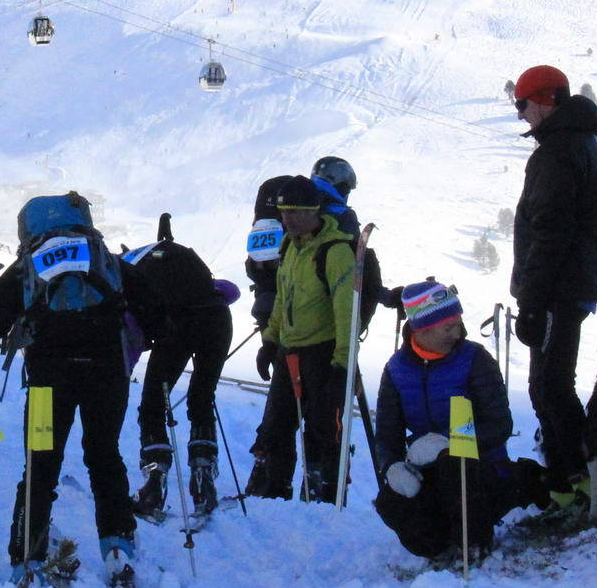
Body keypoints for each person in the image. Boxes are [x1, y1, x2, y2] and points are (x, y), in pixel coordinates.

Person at [0, 192, 166, 588]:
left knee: (41, 463)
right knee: (104, 455)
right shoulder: (105, 258)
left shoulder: (28, 264)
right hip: (107, 374)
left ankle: (26, 558)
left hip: (46, 381)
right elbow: (158, 315)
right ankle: (117, 545)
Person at [509, 65, 597, 506]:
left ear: (546, 99)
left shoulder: (558, 152)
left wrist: (532, 302)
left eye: (523, 104)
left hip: (556, 287)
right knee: (550, 385)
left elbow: (549, 231)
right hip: (572, 284)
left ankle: (578, 484)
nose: (521, 116)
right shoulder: (583, 143)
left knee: (550, 387)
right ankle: (569, 483)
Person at [253, 176, 381, 503]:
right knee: (278, 426)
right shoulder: (289, 246)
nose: (288, 218)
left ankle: (326, 494)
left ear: (314, 210)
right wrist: (270, 341)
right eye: (283, 212)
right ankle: (275, 493)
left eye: (295, 211)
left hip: (323, 353)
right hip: (288, 350)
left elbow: (346, 312)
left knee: (324, 427)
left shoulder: (335, 250)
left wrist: (343, 363)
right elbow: (283, 298)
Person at [373, 281, 516, 560]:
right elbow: (388, 432)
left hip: (480, 467)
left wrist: (448, 442)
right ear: (421, 329)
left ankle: (473, 544)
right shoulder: (396, 370)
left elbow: (499, 425)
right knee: (391, 503)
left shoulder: (475, 359)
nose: (457, 333)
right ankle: (438, 546)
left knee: (454, 464)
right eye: (448, 328)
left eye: (458, 324)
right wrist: (391, 467)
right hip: (427, 468)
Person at [126, 215, 238, 518]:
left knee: (152, 405)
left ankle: (154, 481)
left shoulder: (131, 271)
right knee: (202, 397)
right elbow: (228, 291)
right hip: (217, 319)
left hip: (177, 325)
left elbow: (131, 331)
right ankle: (203, 475)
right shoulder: (178, 260)